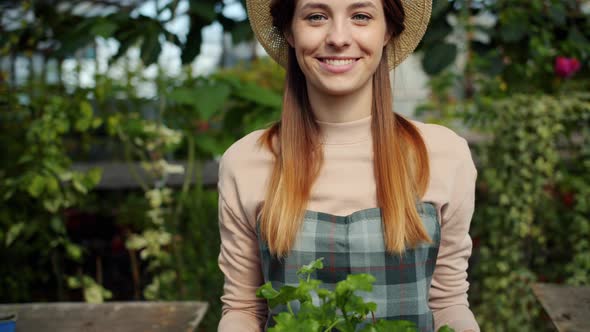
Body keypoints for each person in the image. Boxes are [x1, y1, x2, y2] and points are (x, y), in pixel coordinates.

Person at [217, 0, 480, 331]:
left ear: (387, 31)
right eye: (316, 16)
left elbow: (448, 304)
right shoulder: (245, 161)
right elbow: (243, 309)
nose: (338, 37)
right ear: (289, 32)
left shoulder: (445, 156)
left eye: (361, 16)